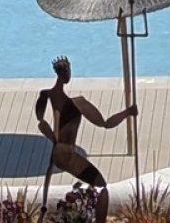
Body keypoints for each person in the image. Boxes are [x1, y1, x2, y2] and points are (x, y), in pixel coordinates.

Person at [35, 55, 136, 222]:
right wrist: (128, 112)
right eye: (69, 71)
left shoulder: (47, 94)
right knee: (102, 186)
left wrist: (53, 139)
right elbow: (105, 123)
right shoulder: (78, 103)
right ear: (66, 73)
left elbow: (41, 122)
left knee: (51, 184)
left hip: (57, 152)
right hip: (66, 154)